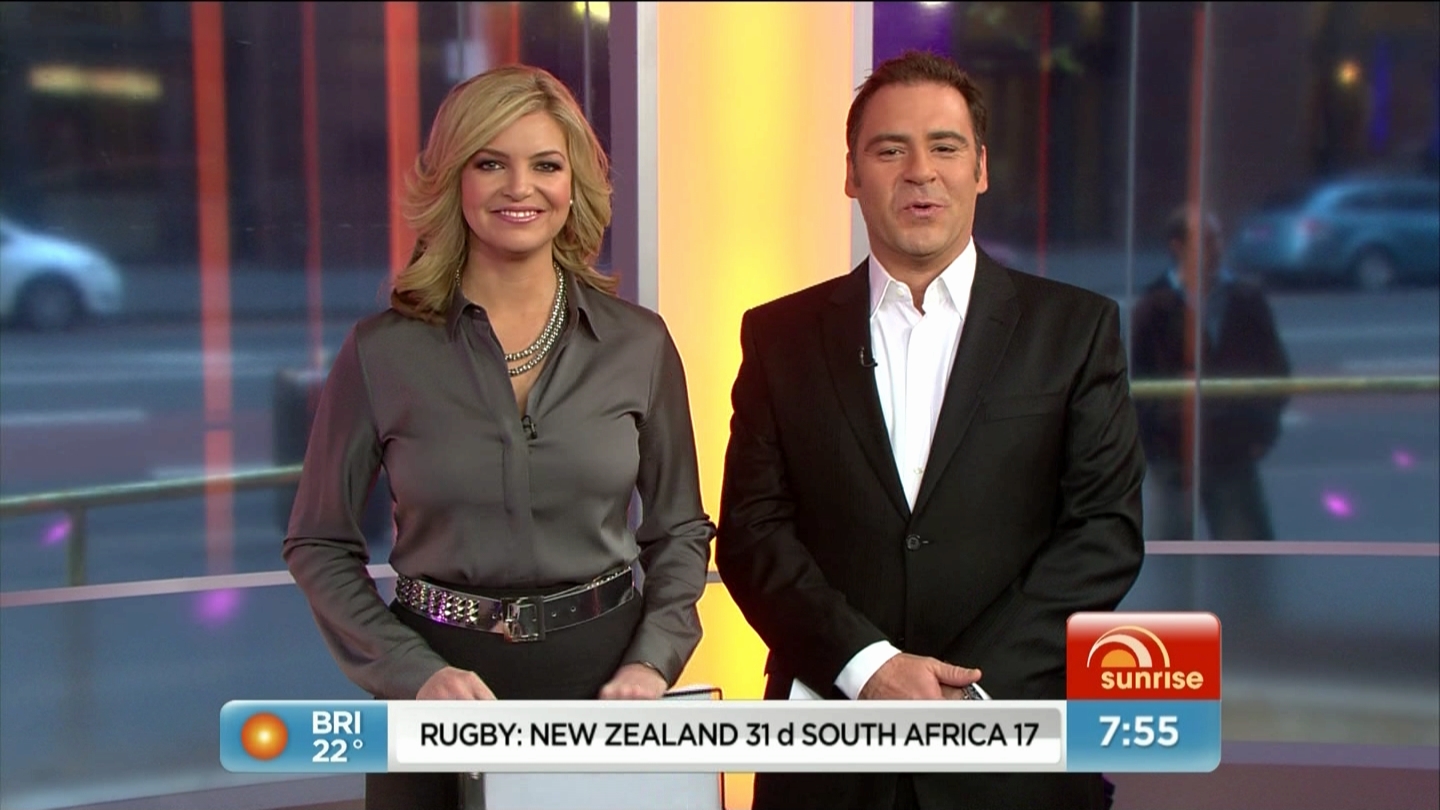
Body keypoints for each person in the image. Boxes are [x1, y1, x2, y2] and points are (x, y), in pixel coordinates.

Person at [714, 50, 1145, 810]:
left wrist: (965, 694)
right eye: (890, 150)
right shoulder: (779, 336)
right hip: (831, 751)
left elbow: (1103, 532)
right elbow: (753, 535)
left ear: (980, 168)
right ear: (851, 174)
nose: (920, 172)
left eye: (944, 147)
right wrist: (870, 667)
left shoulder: (1074, 330)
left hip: (1014, 751)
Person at [282, 64, 713, 810]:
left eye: (546, 165)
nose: (521, 187)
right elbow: (317, 543)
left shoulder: (639, 344)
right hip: (436, 690)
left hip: (608, 685)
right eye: (490, 163)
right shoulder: (381, 352)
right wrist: (411, 672)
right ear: (454, 180)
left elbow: (679, 530)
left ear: (574, 185)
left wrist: (653, 662)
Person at [1131, 205, 1291, 541]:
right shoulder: (1153, 308)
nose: (1217, 248)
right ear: (1178, 247)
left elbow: (1276, 371)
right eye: (1206, 240)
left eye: (1218, 238)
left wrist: (1262, 432)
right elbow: (1134, 384)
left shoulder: (1246, 300)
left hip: (1232, 453)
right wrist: (1153, 444)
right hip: (1172, 459)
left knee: (1246, 557)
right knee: (1169, 559)